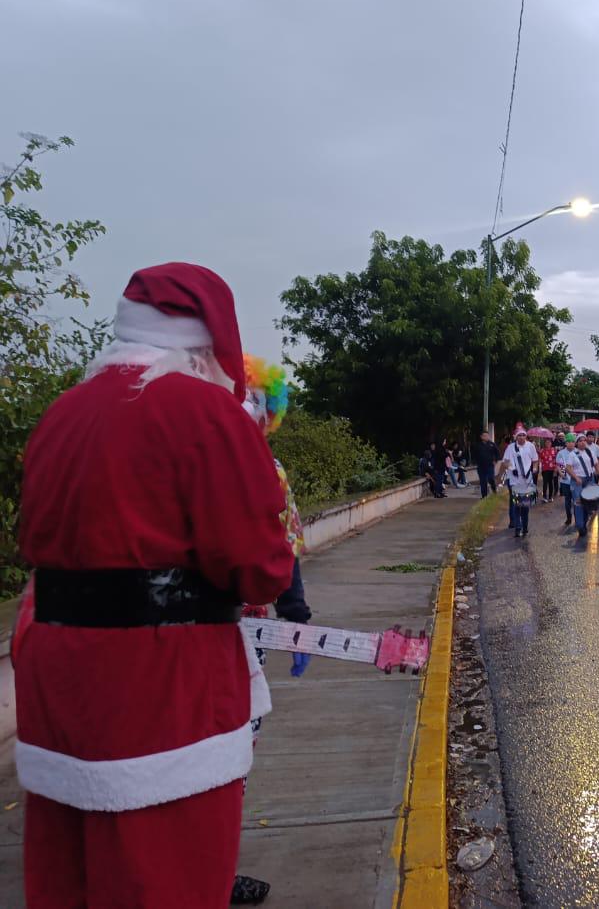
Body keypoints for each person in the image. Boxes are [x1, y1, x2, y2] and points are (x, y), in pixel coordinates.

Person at [13, 262, 295, 908]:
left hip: (58, 700)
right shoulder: (202, 413)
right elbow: (259, 564)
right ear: (207, 347)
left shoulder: (60, 415)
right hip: (165, 704)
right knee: (169, 880)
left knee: (67, 883)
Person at [234, 355, 314, 905]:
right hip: (169, 641)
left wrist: (298, 618)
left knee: (239, 751)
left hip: (248, 637)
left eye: (256, 402)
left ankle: (217, 863)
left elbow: (286, 553)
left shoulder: (271, 470)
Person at [501, 423, 539, 538]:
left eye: (523, 435)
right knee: (517, 505)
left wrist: (535, 469)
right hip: (514, 481)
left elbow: (535, 460)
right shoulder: (510, 448)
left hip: (527, 480)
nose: (521, 437)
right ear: (516, 437)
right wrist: (512, 469)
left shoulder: (530, 446)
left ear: (526, 436)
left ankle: (525, 526)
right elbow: (505, 462)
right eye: (519, 435)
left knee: (526, 506)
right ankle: (518, 527)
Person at [566, 434, 597, 538]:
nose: (583, 442)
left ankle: (584, 522)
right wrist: (576, 477)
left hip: (589, 480)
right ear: (576, 443)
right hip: (577, 481)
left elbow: (596, 463)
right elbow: (568, 468)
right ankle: (580, 525)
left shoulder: (590, 452)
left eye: (584, 440)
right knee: (579, 503)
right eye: (580, 441)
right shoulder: (572, 454)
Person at [556, 432, 578, 525]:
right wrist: (562, 473)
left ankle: (578, 519)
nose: (571, 443)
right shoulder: (561, 453)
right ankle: (569, 518)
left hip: (575, 480)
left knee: (577, 501)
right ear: (566, 443)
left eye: (573, 441)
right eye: (569, 442)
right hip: (565, 481)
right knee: (567, 501)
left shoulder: (577, 452)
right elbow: (560, 464)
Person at [474, 431, 500, 497]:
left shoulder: (492, 444)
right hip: (481, 466)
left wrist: (495, 460)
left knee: (490, 478)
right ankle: (484, 496)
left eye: (487, 436)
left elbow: (497, 453)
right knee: (483, 481)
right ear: (481, 437)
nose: (486, 437)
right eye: (484, 436)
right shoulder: (478, 445)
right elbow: (474, 454)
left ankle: (494, 489)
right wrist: (476, 462)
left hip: (490, 465)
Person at [539, 438, 558, 503]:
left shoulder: (554, 450)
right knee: (545, 483)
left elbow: (556, 459)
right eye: (546, 442)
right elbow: (540, 459)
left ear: (551, 443)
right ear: (544, 443)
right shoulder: (542, 450)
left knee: (550, 483)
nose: (548, 443)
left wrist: (555, 468)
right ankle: (544, 497)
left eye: (549, 442)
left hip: (552, 469)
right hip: (544, 469)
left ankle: (550, 497)